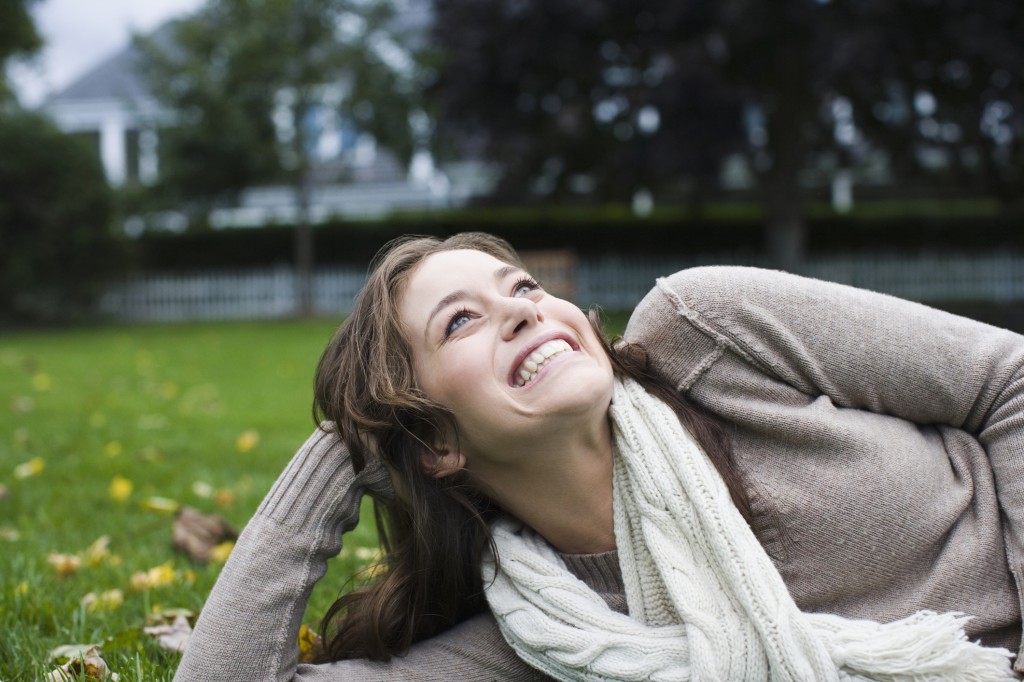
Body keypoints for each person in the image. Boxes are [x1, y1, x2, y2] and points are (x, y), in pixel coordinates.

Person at [174, 232, 1024, 681]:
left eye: (525, 289)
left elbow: (1007, 380)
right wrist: (340, 448)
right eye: (459, 322)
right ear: (436, 443)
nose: (523, 312)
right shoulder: (548, 642)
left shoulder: (707, 332)